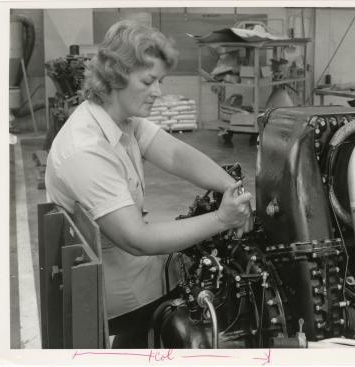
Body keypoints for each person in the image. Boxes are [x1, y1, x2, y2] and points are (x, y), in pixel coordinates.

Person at [45, 20, 253, 348]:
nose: (158, 92)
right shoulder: (85, 149)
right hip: (115, 294)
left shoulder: (120, 120)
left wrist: (234, 189)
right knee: (229, 308)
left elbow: (174, 154)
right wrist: (222, 219)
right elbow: (138, 239)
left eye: (160, 81)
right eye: (148, 81)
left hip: (131, 270)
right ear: (114, 76)